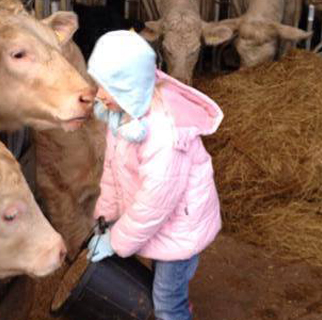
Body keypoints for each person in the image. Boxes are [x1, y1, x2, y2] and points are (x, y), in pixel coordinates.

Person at [85, 30, 224, 320]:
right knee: (162, 284)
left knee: (165, 299)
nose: (98, 95)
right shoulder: (124, 117)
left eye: (106, 87)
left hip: (180, 228)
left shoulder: (163, 134)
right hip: (162, 224)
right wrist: (104, 218)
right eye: (98, 84)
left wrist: (115, 241)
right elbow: (112, 171)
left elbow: (154, 204)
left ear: (130, 87)